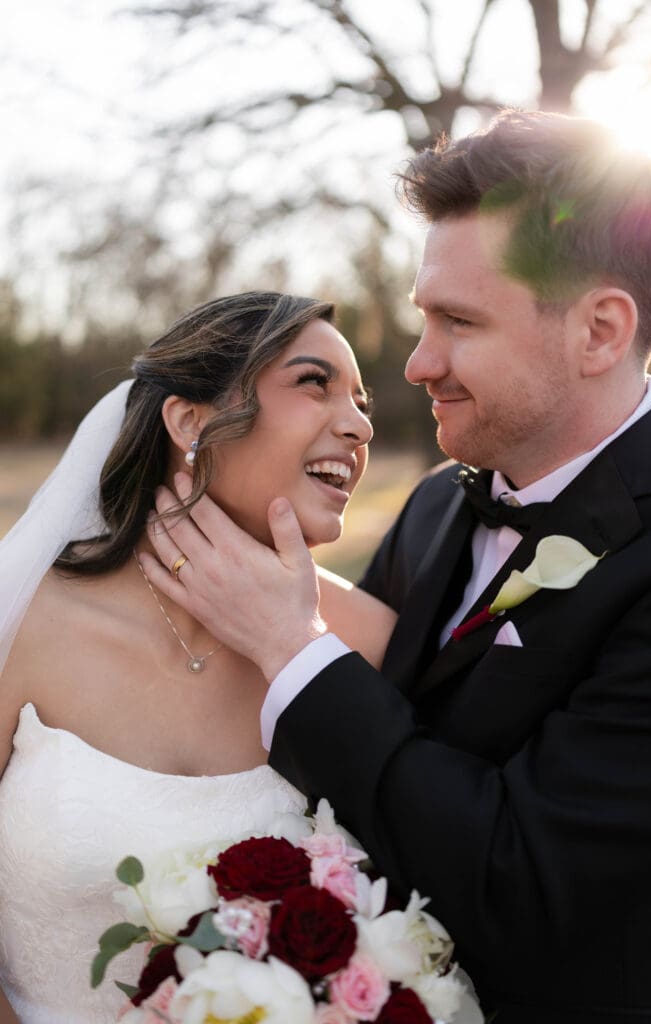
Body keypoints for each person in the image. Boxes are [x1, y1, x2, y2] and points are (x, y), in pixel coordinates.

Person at [141, 110, 651, 1023]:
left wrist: (291, 645)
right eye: (424, 315)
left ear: (598, 331)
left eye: (458, 322)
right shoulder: (440, 500)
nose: (418, 362)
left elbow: (524, 884)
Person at [0, 291, 396, 1023]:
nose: (360, 423)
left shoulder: (367, 643)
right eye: (315, 383)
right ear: (189, 420)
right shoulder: (24, 613)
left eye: (362, 400)